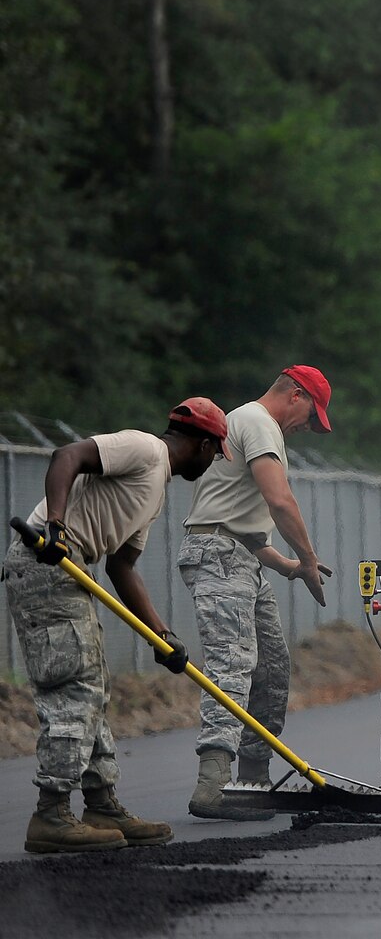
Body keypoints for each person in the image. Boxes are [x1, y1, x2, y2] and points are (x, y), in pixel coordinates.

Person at [4, 399, 228, 854]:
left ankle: (101, 804)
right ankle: (51, 814)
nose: (213, 462)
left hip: (75, 571)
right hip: (48, 564)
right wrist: (57, 526)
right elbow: (67, 456)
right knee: (75, 688)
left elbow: (123, 566)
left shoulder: (155, 491)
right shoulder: (143, 449)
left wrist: (161, 635)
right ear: (203, 445)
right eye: (216, 453)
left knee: (93, 687)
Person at [178, 366, 335, 821]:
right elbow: (279, 500)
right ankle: (215, 785)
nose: (308, 427)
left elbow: (243, 523)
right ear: (295, 394)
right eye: (311, 416)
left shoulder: (250, 424)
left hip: (240, 556)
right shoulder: (257, 421)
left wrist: (286, 565)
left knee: (271, 665)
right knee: (232, 666)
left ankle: (252, 778)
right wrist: (306, 557)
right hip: (219, 555)